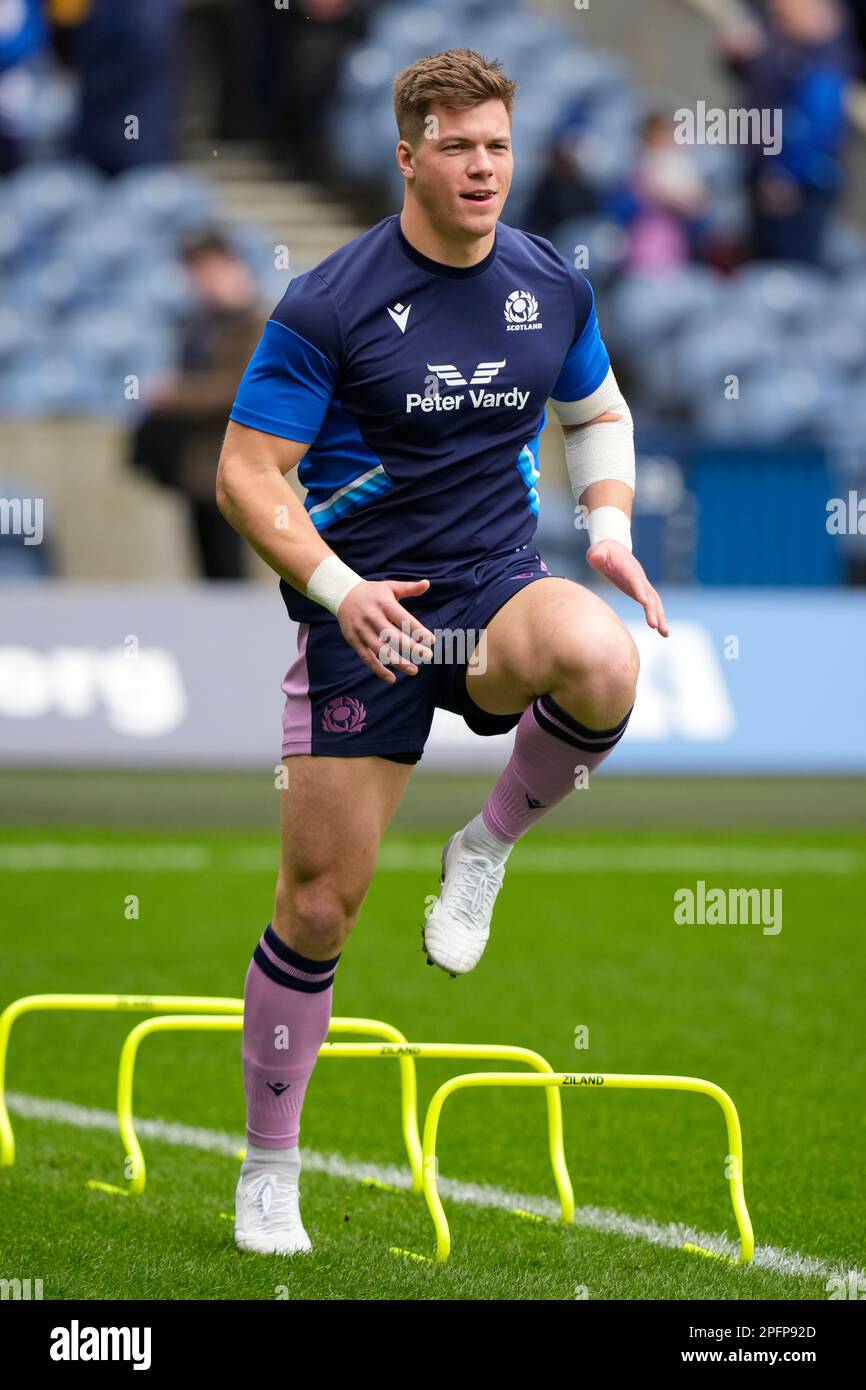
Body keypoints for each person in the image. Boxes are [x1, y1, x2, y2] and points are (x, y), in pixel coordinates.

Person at [216, 48, 668, 1256]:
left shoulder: (548, 283)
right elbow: (245, 473)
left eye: (497, 147)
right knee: (319, 906)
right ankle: (269, 1169)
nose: (482, 169)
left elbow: (599, 408)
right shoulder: (327, 301)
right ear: (407, 155)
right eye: (457, 147)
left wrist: (609, 528)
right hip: (358, 610)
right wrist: (333, 583)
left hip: (489, 589)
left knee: (604, 658)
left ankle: (485, 847)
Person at [131, 232, 263, 579]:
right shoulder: (201, 321)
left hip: (235, 460)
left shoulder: (256, 321)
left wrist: (176, 395)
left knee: (228, 566)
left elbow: (241, 389)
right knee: (207, 567)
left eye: (205, 271)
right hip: (197, 463)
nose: (199, 283)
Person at [719, 0, 852, 263]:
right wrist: (738, 57)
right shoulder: (782, 40)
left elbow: (818, 126)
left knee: (786, 264)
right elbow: (759, 81)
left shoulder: (825, 61)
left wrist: (786, 174)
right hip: (763, 167)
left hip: (796, 185)